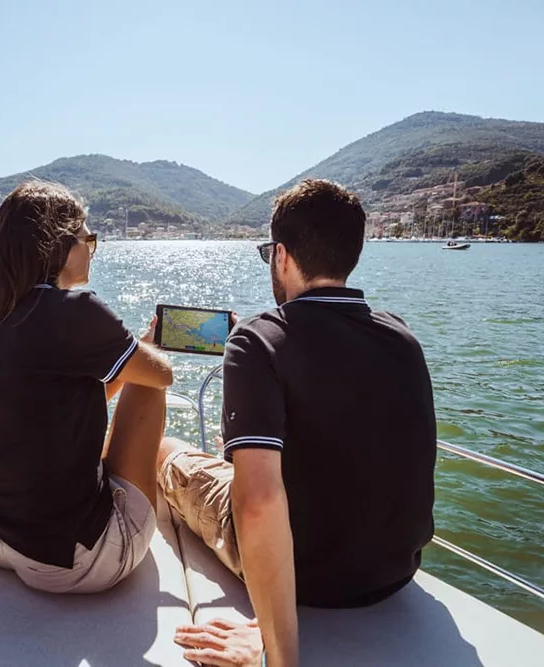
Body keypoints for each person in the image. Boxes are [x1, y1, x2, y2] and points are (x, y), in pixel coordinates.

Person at [163, 179, 437, 666]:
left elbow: (260, 502)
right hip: (392, 573)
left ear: (282, 256)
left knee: (166, 451)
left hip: (307, 577)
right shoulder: (401, 336)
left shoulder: (256, 342)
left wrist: (275, 653)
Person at [0, 180, 173, 594]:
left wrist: (117, 358)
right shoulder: (76, 312)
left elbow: (55, 406)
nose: (92, 249)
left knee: (122, 383)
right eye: (90, 238)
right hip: (71, 562)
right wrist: (147, 349)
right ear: (60, 246)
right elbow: (162, 375)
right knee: (148, 383)